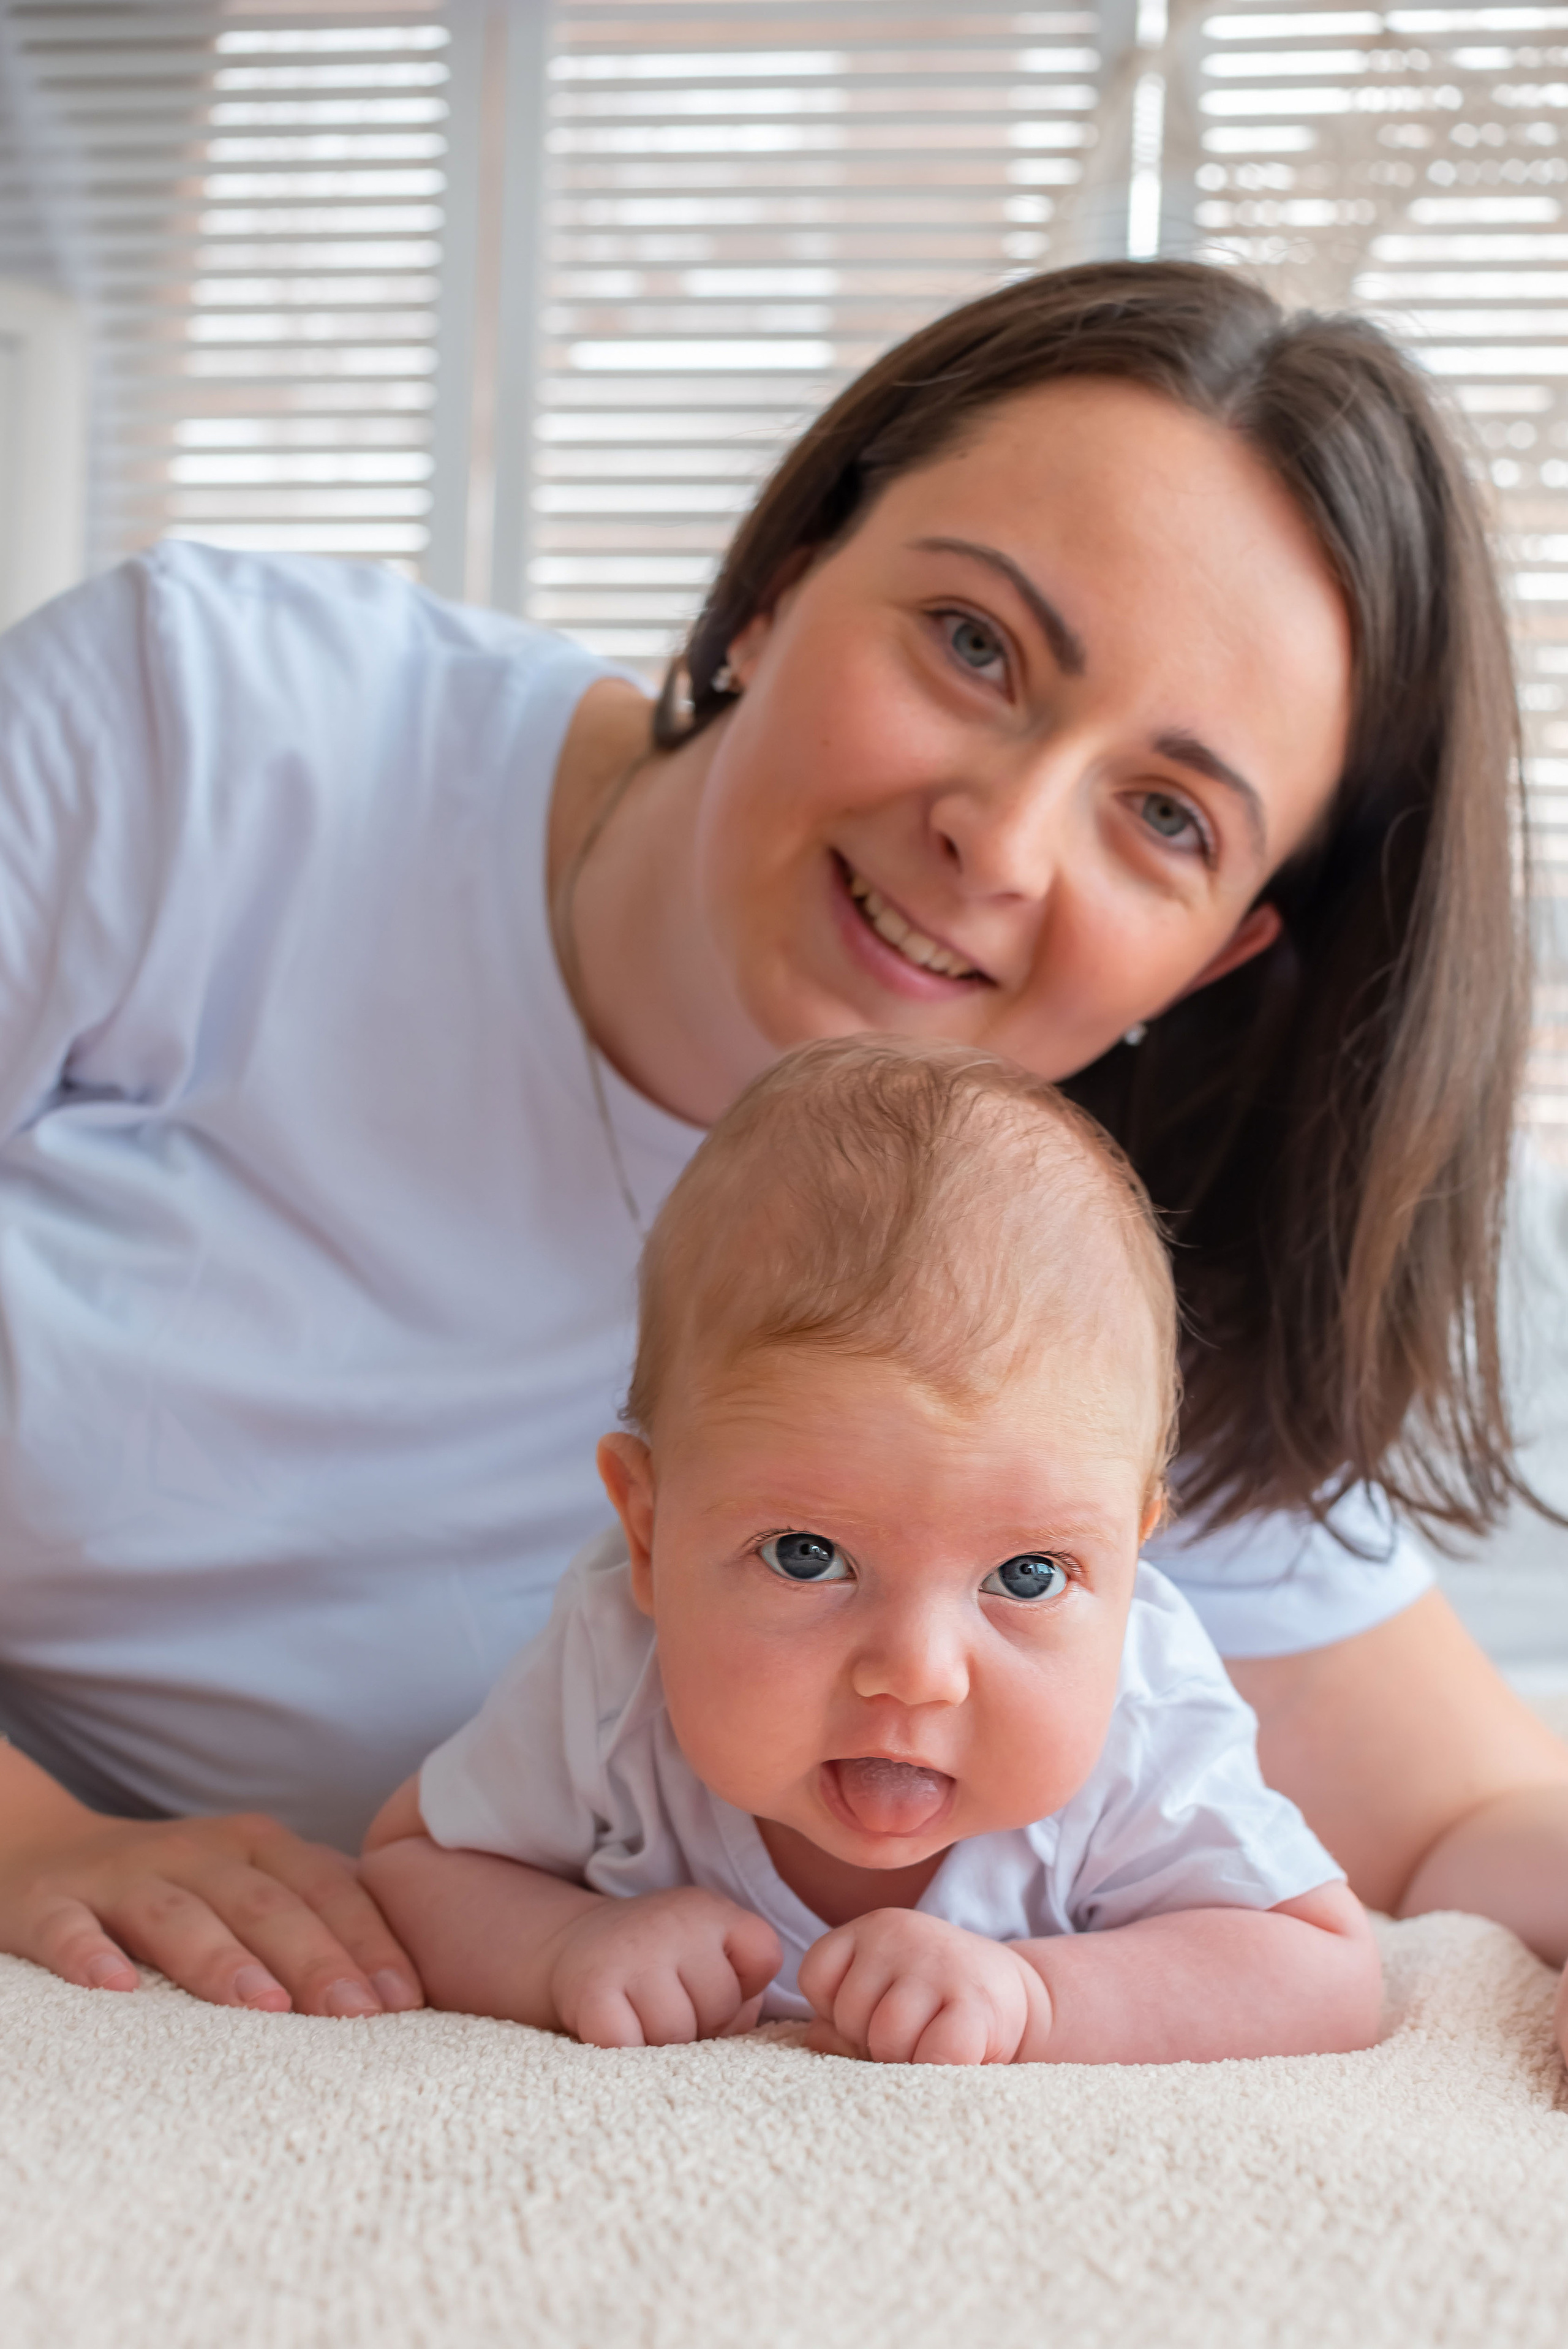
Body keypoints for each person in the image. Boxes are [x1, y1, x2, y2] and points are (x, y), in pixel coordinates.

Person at [0, 259, 1562, 2034]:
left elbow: (1464, 1810)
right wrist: (29, 1840)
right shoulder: (204, 738)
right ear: (778, 580)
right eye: (974, 647)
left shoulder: (1068, 1270)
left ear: (1217, 954)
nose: (1002, 837)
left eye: (1165, 816)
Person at [361, 1037, 1381, 2064]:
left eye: (1026, 1574)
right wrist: (564, 1945)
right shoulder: (611, 1670)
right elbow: (414, 1863)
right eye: (806, 1554)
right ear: (648, 1532)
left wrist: (1039, 1998)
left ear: (1129, 1564)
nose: (917, 1670)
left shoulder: (1140, 1717)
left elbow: (1324, 1968)